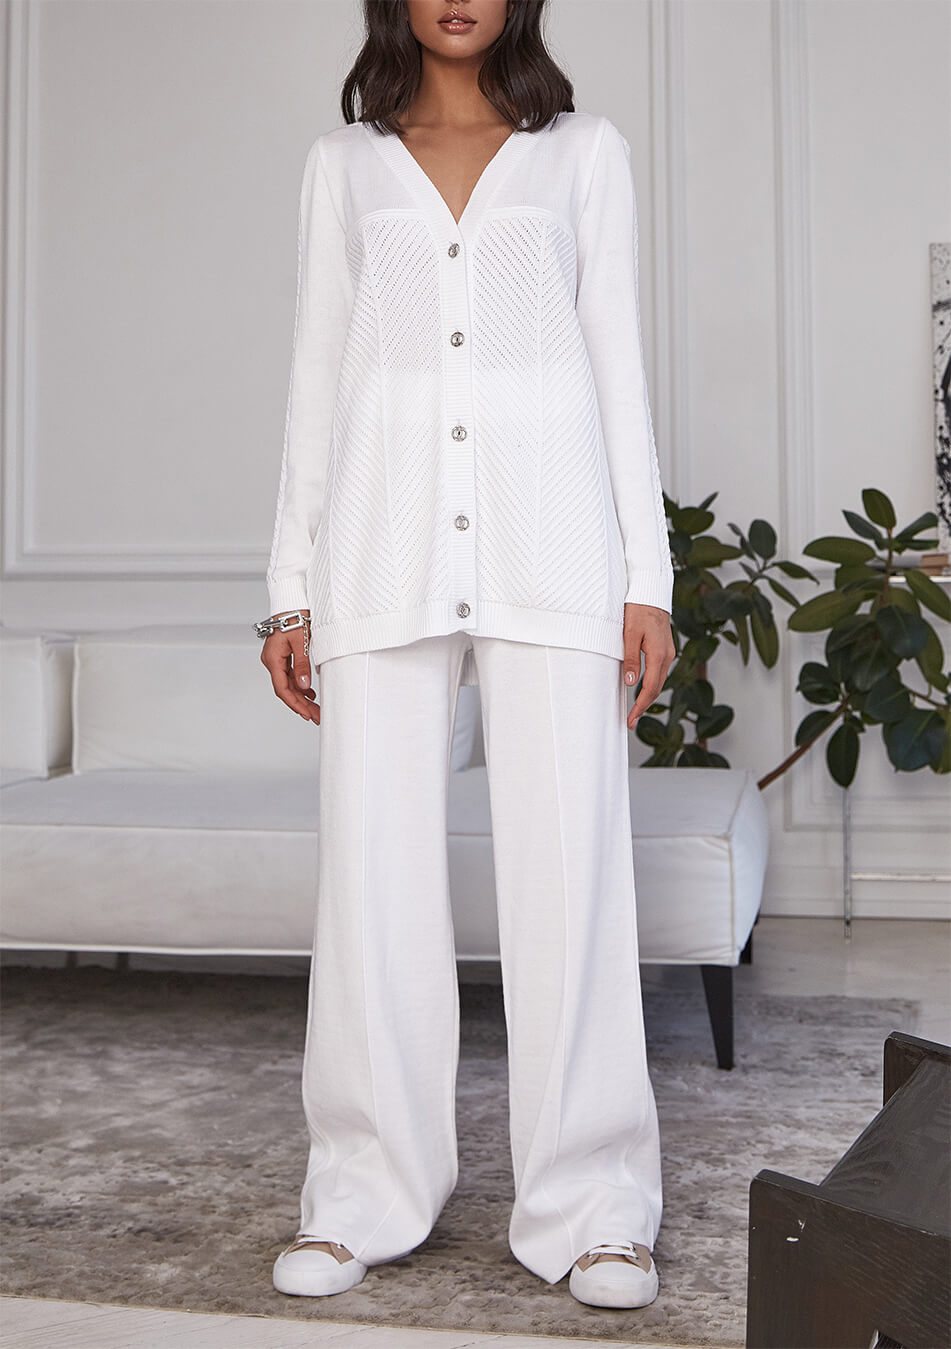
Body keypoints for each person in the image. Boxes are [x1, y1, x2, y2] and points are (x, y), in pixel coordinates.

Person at [256, 0, 676, 1312]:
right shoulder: (344, 165)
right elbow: (318, 377)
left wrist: (648, 579)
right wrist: (288, 592)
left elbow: (616, 366)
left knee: (572, 881)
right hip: (377, 549)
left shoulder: (583, 153)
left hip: (556, 548)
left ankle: (594, 1207)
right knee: (371, 885)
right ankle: (360, 1193)